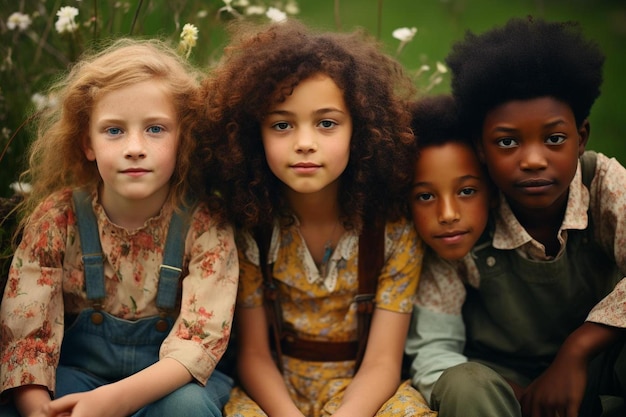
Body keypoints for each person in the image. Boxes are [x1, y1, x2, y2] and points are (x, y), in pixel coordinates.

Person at [198, 19, 436, 417]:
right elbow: (254, 356)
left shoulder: (392, 231)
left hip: (364, 396)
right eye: (282, 125)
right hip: (274, 396)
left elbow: (382, 363)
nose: (304, 143)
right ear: (254, 136)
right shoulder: (250, 229)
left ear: (359, 130)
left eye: (326, 123)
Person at [0, 38, 239, 417]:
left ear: (183, 138)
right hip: (78, 378)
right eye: (114, 131)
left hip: (168, 385)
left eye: (156, 129)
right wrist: (38, 410)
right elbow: (28, 330)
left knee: (188, 408)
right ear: (87, 142)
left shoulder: (206, 224)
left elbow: (199, 341)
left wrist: (113, 401)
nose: (134, 148)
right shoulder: (58, 218)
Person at [406, 16, 626, 417]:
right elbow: (435, 349)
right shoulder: (464, 219)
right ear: (482, 150)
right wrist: (518, 397)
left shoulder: (601, 183)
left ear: (582, 137)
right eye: (507, 141)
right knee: (462, 383)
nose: (533, 160)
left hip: (597, 366)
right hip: (500, 383)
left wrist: (577, 352)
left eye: (554, 138)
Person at [408, 94, 491, 262]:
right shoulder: (402, 258)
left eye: (466, 191)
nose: (448, 215)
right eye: (426, 196)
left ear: (493, 191)